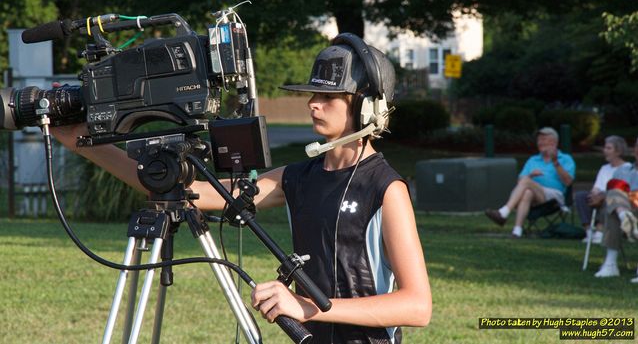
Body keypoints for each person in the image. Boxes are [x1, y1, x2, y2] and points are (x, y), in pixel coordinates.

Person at [52, 35, 432, 343]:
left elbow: (417, 307)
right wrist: (78, 142)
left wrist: (308, 308)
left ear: (367, 108)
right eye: (311, 95)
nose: (313, 105)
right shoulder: (297, 177)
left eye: (328, 97)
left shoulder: (386, 188)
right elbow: (194, 190)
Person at [485, 127, 576, 238]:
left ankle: (504, 212)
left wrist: (555, 161)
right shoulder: (533, 160)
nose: (539, 143)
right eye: (538, 140)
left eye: (543, 139)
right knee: (527, 192)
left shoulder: (566, 159)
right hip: (534, 197)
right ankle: (517, 231)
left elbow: (568, 182)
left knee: (527, 184)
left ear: (554, 142)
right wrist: (531, 175)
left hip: (554, 198)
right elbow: (520, 182)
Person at [593, 137, 638, 282]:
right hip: (625, 209)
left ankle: (611, 264)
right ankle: (626, 218)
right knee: (613, 195)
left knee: (614, 203)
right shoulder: (623, 170)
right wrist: (600, 196)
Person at [574, 135, 629, 244]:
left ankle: (600, 232)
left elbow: (623, 190)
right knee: (581, 196)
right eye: (605, 148)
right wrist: (594, 194)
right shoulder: (604, 168)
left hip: (615, 199)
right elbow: (596, 187)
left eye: (609, 148)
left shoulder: (627, 168)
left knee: (608, 197)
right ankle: (589, 232)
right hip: (599, 196)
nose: (605, 151)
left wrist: (601, 196)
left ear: (618, 151)